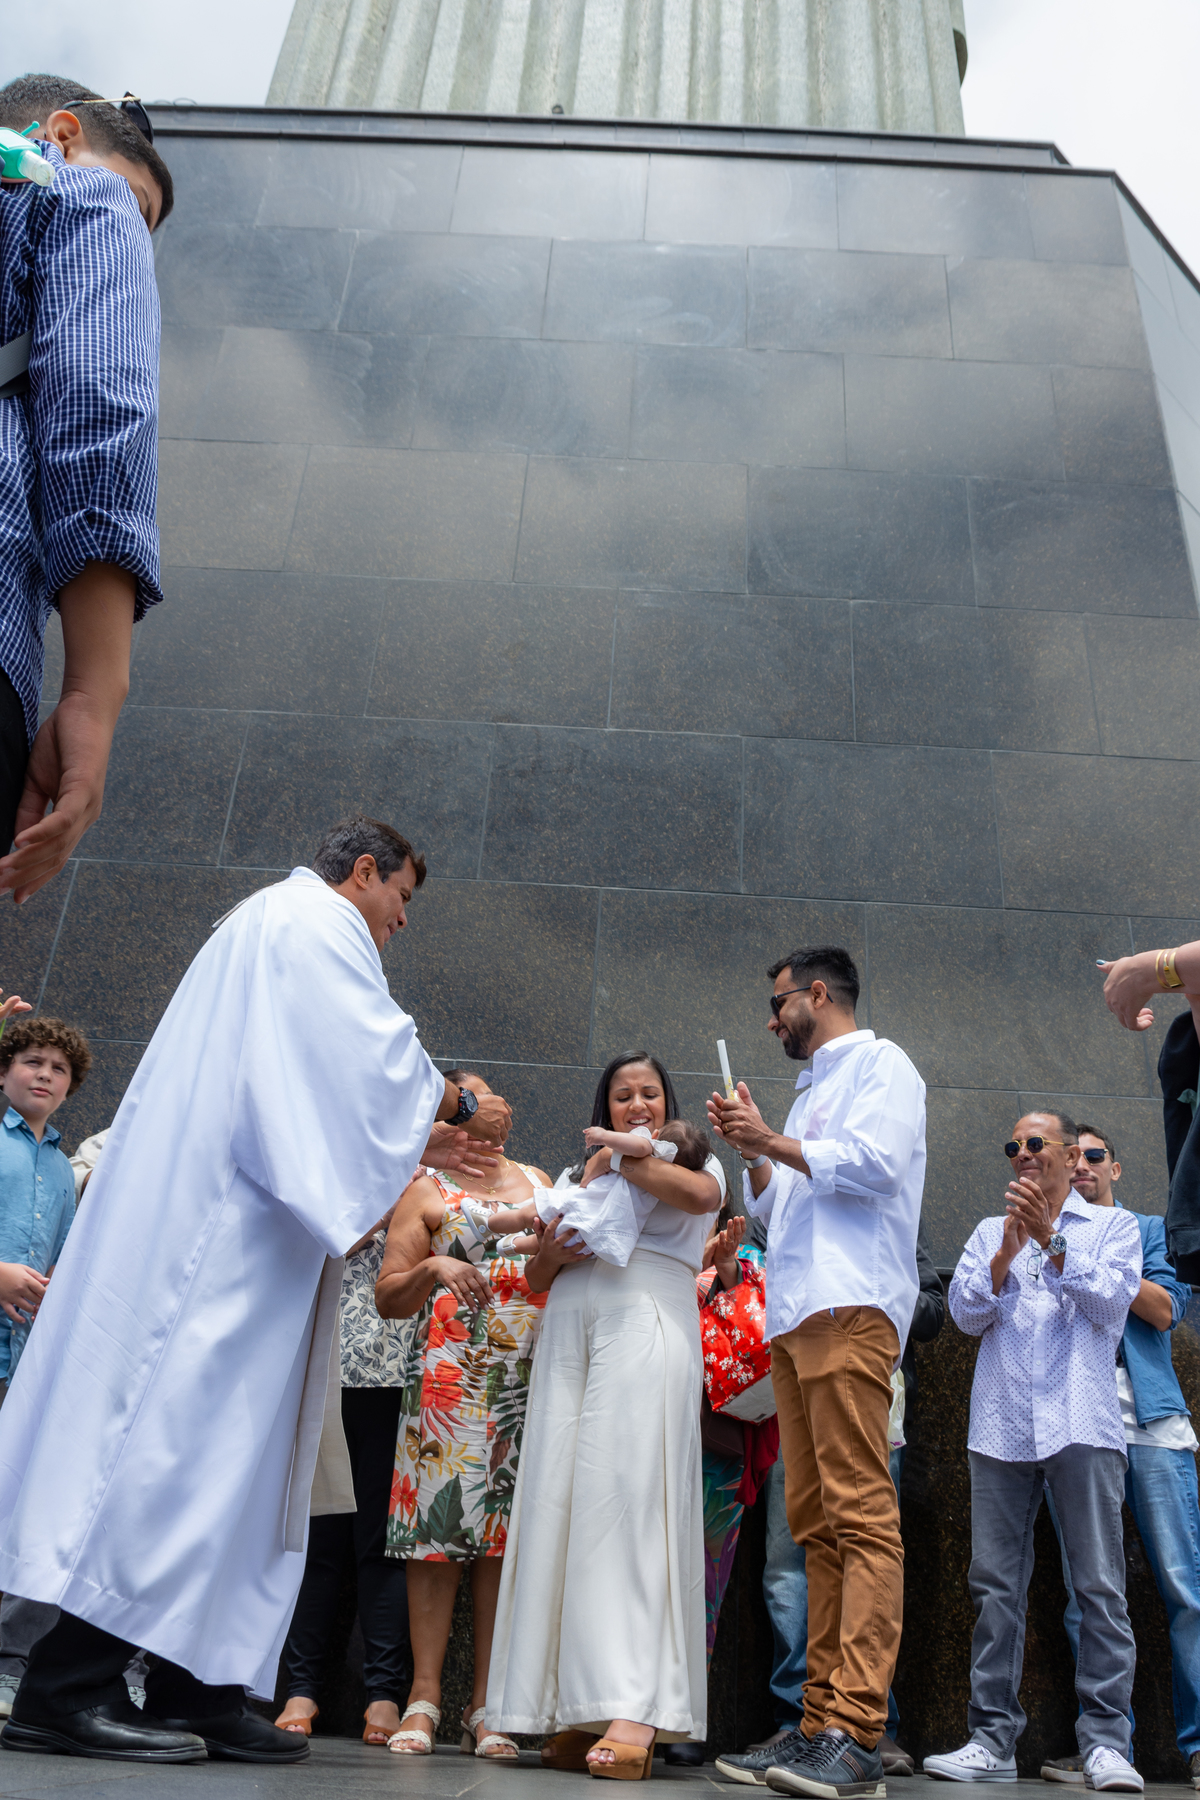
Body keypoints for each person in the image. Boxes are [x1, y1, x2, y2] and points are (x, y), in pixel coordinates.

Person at [0, 815, 511, 1764]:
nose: (401, 921)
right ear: (365, 872)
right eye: (402, 898)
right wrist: (461, 1102)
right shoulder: (313, 922)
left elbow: (315, 1087)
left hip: (250, 1238)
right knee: (180, 1451)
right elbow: (371, 1055)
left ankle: (196, 1686)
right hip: (215, 1250)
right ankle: (65, 1686)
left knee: (234, 1467)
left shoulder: (275, 923)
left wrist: (414, 1138)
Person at [707, 946, 926, 1800]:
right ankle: (816, 1725)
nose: (773, 1021)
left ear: (819, 993)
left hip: (850, 1306)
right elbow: (781, 1206)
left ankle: (858, 1732)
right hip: (798, 1319)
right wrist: (758, 1153)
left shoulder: (882, 1064)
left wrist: (776, 1140)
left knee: (860, 1515)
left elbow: (875, 1166)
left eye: (779, 1004)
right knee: (817, 1525)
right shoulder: (808, 1095)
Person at [487, 1051, 725, 1779]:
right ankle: (575, 1705)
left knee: (628, 1503)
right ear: (605, 1106)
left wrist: (613, 1159)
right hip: (569, 1330)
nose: (638, 1104)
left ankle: (633, 1704)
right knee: (561, 1506)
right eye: (623, 1096)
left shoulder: (694, 1162)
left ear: (668, 1103)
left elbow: (693, 1198)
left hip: (644, 1320)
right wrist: (554, 1251)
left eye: (649, 1093)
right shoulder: (575, 1177)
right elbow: (535, 1272)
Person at [925, 1114, 1142, 1792]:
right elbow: (965, 1316)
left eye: (1035, 1143)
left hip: (1083, 1423)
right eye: (1013, 1145)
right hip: (1002, 1425)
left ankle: (1107, 1742)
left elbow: (1111, 1303)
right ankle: (991, 1740)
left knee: (1099, 1586)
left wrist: (1049, 1240)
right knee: (994, 1587)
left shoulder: (1114, 1227)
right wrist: (1005, 1253)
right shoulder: (990, 1230)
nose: (1021, 1153)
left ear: (1072, 1156)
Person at [0, 76, 174, 900]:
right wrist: (92, 694)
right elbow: (98, 401)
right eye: (141, 213)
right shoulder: (74, 190)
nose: (137, 245)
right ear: (60, 136)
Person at [374, 1072, 552, 1761]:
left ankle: (487, 1705)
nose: (487, 1106)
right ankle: (423, 1700)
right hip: (447, 1387)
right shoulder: (425, 1188)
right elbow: (389, 1296)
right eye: (465, 1099)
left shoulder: (539, 1183)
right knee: (436, 1536)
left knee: (505, 1546)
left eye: (491, 1096)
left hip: (526, 1381)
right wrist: (434, 1271)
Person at [1040, 1125, 1200, 1791]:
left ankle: (1198, 1745)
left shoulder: (1150, 1230)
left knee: (1185, 1587)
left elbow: (1164, 1310)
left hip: (1151, 1424)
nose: (1081, 1164)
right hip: (1076, 1424)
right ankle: (1107, 1744)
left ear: (1116, 1168)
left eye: (1094, 1155)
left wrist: (1094, 1258)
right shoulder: (1045, 1234)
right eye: (1070, 1155)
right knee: (1088, 1593)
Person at [273, 1202, 420, 1748]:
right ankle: (300, 1690)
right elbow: (316, 1238)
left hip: (398, 1368)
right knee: (319, 1541)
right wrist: (383, 1207)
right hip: (323, 1360)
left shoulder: (436, 1183)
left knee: (383, 1543)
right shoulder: (343, 1174)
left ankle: (384, 1694)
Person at [471, 1117, 713, 1265]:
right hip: (607, 1229)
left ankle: (487, 1224)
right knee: (550, 1241)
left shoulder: (653, 1149)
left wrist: (605, 1137)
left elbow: (639, 1147)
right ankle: (511, 1246)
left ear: (656, 1136)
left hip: (587, 1205)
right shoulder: (664, 1186)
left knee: (530, 1214)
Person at [0, 1015, 90, 1399]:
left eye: (59, 1068)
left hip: (13, 1362)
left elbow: (58, 1257)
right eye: (33, 1062)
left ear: (70, 1087)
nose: (44, 1074)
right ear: (2, 1072)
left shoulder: (62, 1169)